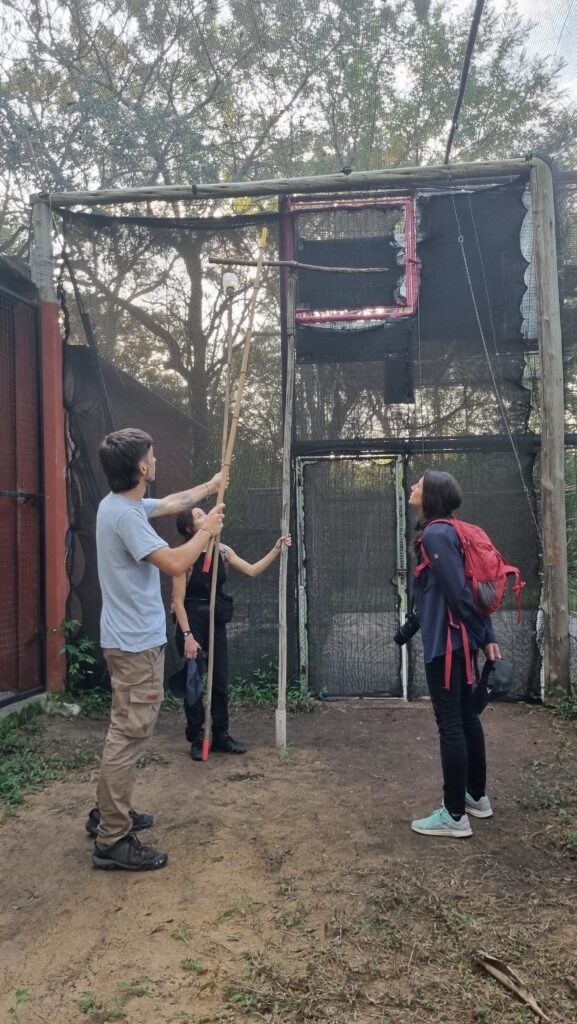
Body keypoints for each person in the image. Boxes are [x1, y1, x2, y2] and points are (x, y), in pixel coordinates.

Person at [87, 427, 224, 872]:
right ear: (142, 468)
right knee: (128, 736)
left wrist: (210, 486)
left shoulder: (119, 504)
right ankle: (112, 837)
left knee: (123, 730)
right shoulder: (126, 517)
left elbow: (170, 503)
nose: (157, 459)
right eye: (153, 454)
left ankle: (109, 813)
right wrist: (209, 531)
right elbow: (176, 563)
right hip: (135, 644)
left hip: (126, 640)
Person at [394, 469, 501, 839]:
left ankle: (454, 815)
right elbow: (461, 589)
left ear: (432, 496)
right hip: (461, 644)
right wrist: (484, 636)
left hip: (447, 646)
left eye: (419, 485)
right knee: (467, 717)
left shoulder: (437, 533)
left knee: (451, 723)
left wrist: (484, 634)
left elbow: (459, 593)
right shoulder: (449, 530)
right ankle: (475, 797)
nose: (413, 488)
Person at [172, 506, 291, 760]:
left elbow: (252, 570)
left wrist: (275, 549)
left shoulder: (223, 552)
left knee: (220, 681)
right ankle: (197, 738)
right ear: (189, 528)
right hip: (191, 623)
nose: (204, 516)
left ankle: (221, 736)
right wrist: (188, 636)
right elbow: (178, 601)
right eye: (198, 516)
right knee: (193, 683)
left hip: (216, 620)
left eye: (204, 512)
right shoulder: (183, 556)